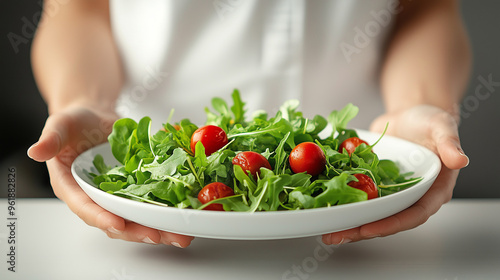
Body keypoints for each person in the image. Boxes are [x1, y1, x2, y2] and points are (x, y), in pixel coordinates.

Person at [28, 0, 470, 248]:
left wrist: (420, 104)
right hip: (155, 205)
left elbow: (425, 9)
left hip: (356, 211)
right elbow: (78, 10)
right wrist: (81, 101)